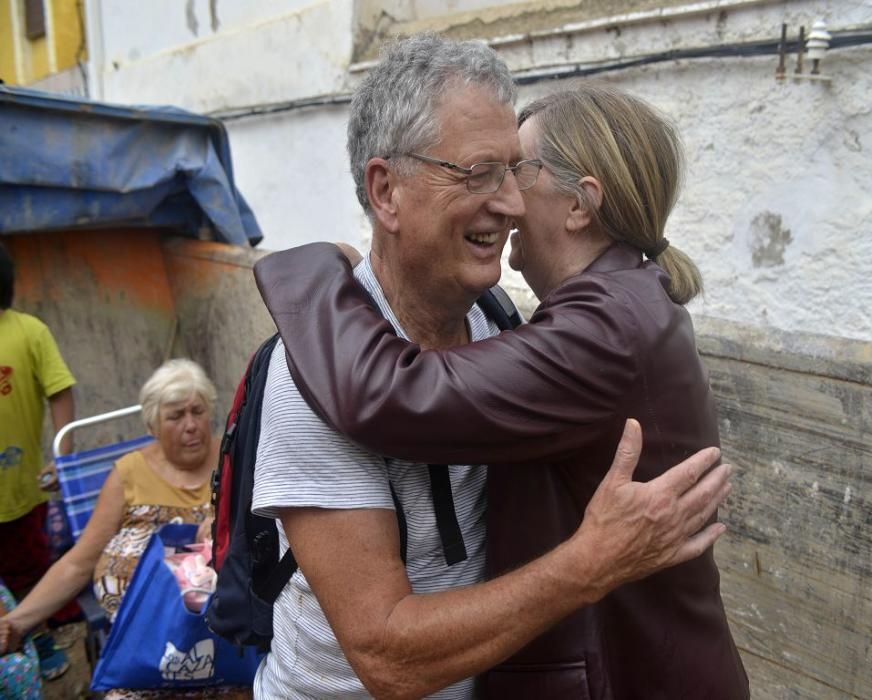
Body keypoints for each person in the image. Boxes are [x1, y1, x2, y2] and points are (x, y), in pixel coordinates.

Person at [249, 34, 734, 700]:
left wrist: (308, 272)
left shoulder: (516, 321)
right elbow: (387, 658)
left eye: (514, 170)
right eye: (479, 172)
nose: (506, 202)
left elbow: (398, 391)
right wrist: (588, 563)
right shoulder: (310, 378)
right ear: (384, 191)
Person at [0, 359, 246, 700]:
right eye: (176, 416)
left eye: (198, 411)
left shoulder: (235, 461)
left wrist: (225, 529)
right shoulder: (128, 474)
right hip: (144, 651)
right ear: (153, 426)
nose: (191, 425)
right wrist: (15, 623)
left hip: (226, 650)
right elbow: (78, 563)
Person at [0, 241, 77, 680]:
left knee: (29, 569)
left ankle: (40, 637)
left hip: (23, 491)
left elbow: (60, 389)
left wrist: (60, 458)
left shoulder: (28, 331)